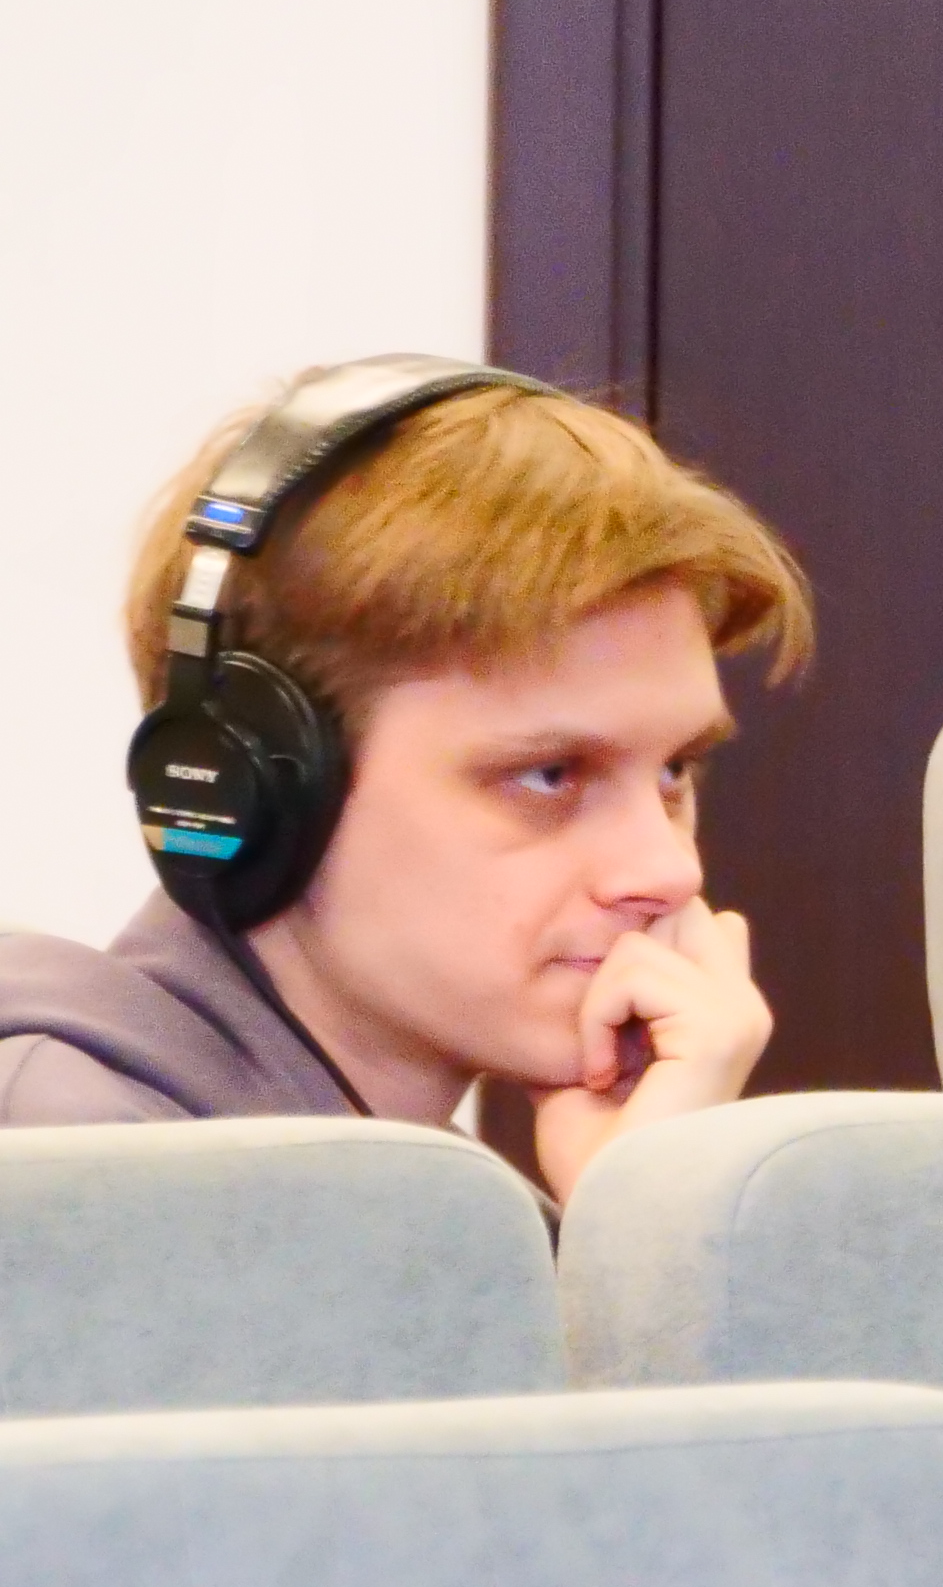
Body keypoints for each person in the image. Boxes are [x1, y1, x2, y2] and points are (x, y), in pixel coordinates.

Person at [0, 360, 811, 1201]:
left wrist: (628, 1209)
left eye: (674, 770)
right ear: (253, 791)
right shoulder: (71, 1170)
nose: (670, 872)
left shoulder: (411, 1200)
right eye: (550, 775)